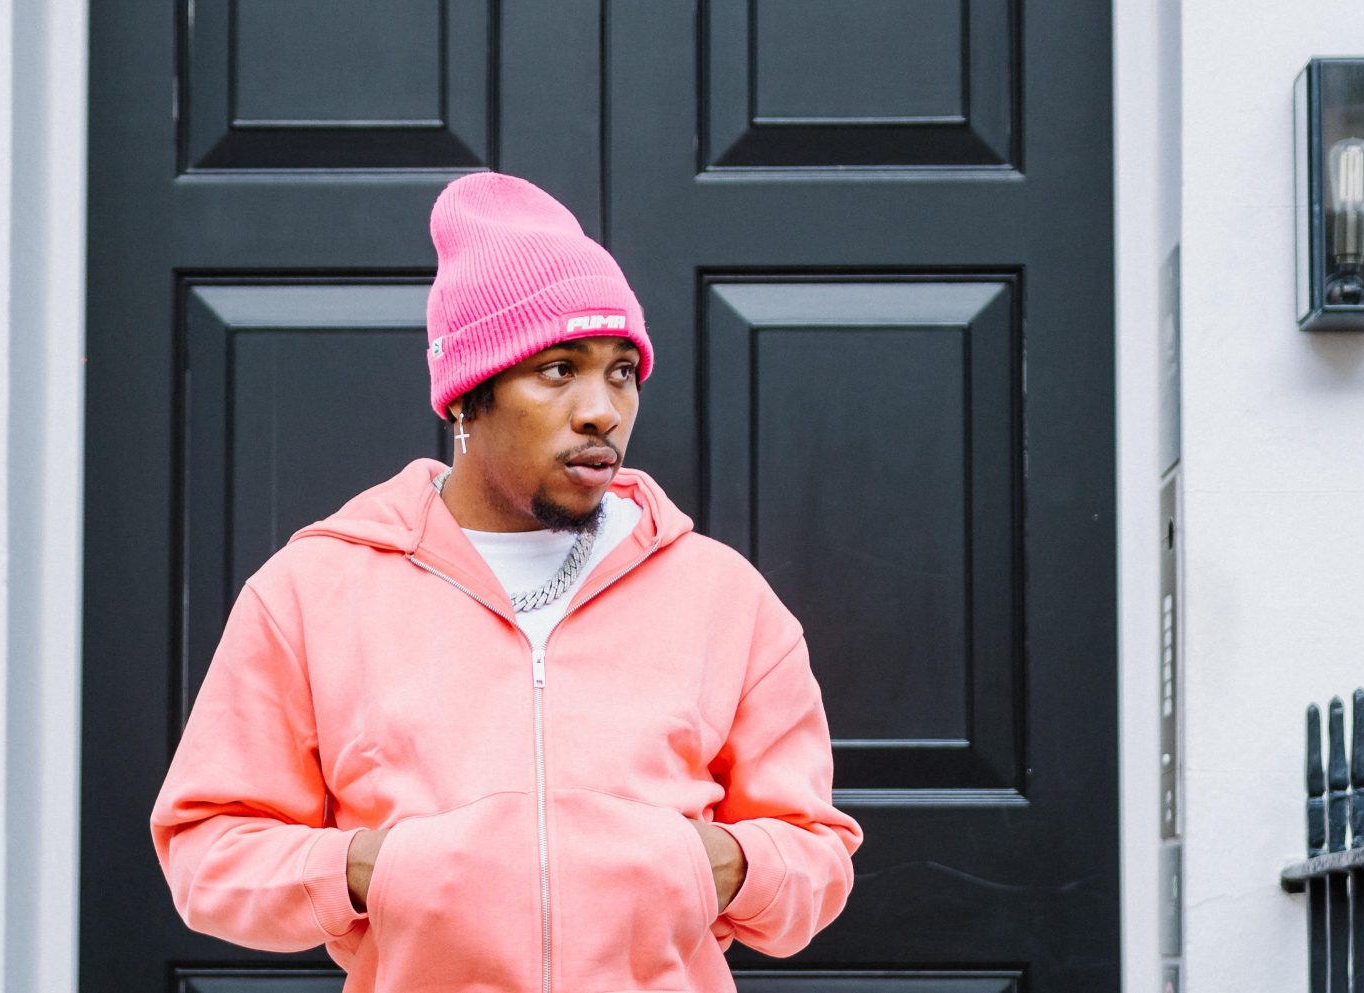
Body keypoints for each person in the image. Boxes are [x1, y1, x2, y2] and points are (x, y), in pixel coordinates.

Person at [150, 171, 861, 992]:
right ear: (467, 398)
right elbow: (207, 850)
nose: (603, 410)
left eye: (621, 371)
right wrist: (371, 867)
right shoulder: (313, 592)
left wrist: (711, 862)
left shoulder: (722, 596)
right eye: (559, 369)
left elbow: (816, 854)